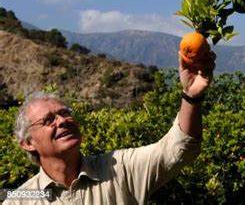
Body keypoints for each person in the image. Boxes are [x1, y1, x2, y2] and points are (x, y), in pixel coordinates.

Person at [5, 55, 214, 204]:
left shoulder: (119, 169)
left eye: (65, 113)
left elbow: (178, 149)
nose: (62, 121)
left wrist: (191, 96)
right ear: (28, 143)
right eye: (48, 120)